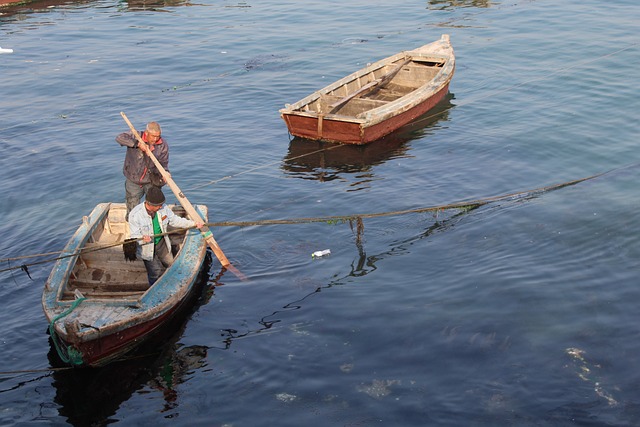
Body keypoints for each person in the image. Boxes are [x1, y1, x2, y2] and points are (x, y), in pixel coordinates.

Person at [128, 186, 204, 285]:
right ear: (149, 204)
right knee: (155, 272)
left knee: (171, 264)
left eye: (161, 204)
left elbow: (175, 220)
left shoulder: (164, 208)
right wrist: (142, 239)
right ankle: (154, 287)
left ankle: (173, 282)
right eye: (158, 205)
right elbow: (134, 235)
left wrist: (193, 224)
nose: (161, 207)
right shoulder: (135, 215)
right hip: (147, 248)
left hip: (161, 243)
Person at [116, 121, 170, 217]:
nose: (155, 139)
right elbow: (120, 138)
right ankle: (133, 224)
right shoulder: (136, 135)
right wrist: (137, 144)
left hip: (151, 180)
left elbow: (163, 162)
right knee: (132, 206)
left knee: (154, 206)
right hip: (133, 180)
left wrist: (165, 173)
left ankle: (152, 225)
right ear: (146, 133)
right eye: (153, 136)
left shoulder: (162, 144)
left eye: (158, 136)